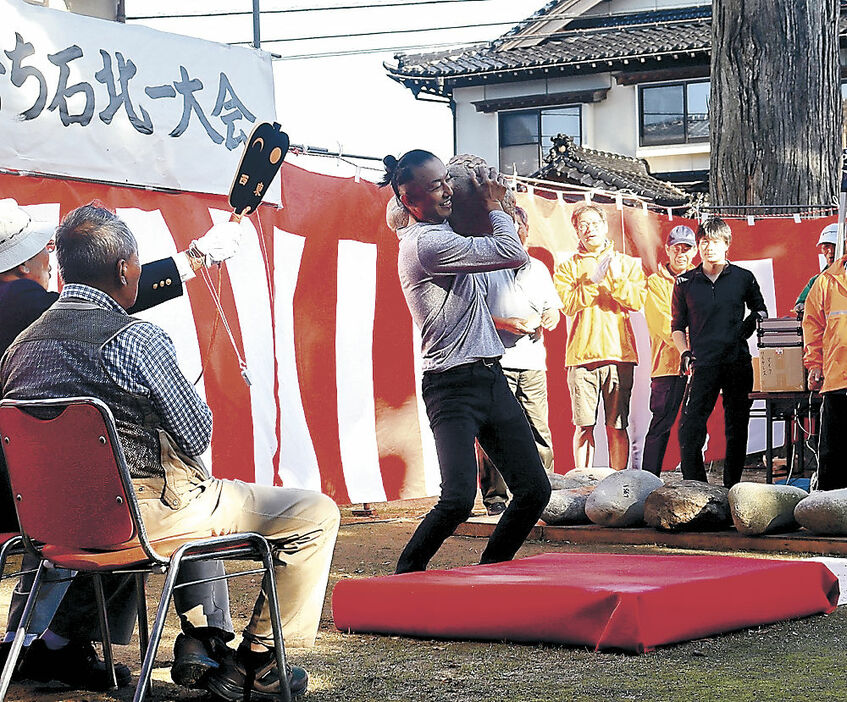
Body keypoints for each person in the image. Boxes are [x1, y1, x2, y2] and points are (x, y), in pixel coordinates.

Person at [0, 203, 340, 700]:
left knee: (187, 495)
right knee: (312, 512)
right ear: (124, 270)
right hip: (139, 518)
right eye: (137, 261)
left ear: (62, 268)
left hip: (53, 522)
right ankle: (258, 661)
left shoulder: (19, 349)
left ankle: (192, 640)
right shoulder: (138, 339)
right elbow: (195, 435)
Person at [0, 198, 244, 690]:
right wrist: (193, 260)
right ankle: (204, 636)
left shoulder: (27, 323)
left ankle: (33, 641)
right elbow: (98, 306)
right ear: (27, 258)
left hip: (24, 482)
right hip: (57, 498)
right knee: (162, 485)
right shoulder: (31, 312)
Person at [383, 149, 550, 574]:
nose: (447, 190)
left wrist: (481, 191)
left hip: (491, 376)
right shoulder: (427, 243)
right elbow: (513, 253)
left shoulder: (443, 230)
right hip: (451, 386)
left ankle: (491, 569)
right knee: (458, 499)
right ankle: (405, 576)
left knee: (533, 491)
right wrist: (493, 205)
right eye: (434, 185)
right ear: (409, 199)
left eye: (447, 181)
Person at [671, 217, 767, 488]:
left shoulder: (743, 277)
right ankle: (695, 487)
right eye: (703, 242)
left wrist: (746, 329)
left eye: (714, 242)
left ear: (726, 245)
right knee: (689, 429)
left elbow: (761, 310)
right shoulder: (684, 282)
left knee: (737, 428)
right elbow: (677, 326)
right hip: (703, 362)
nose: (708, 247)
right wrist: (684, 352)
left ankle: (732, 488)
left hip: (737, 361)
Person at [478, 205, 562, 513]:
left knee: (539, 427)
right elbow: (475, 314)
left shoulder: (538, 267)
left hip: (533, 361)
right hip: (497, 360)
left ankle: (545, 494)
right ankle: (495, 499)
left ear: (524, 231)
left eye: (515, 227)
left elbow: (553, 307)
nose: (511, 234)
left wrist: (550, 316)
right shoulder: (485, 266)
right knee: (493, 431)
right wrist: (506, 323)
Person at [553, 204, 646, 471]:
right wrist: (593, 280)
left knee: (617, 425)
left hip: (619, 354)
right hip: (581, 357)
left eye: (594, 223)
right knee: (583, 425)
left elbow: (637, 301)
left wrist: (615, 278)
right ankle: (582, 481)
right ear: (576, 231)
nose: (589, 228)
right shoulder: (568, 267)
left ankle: (619, 483)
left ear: (605, 226)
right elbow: (568, 305)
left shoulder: (626, 264)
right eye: (583, 224)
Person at [641, 225, 698, 476]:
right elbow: (663, 325)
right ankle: (647, 479)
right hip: (667, 366)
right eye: (677, 248)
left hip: (698, 365)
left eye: (687, 248)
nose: (682, 254)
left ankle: (694, 480)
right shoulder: (655, 283)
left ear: (695, 251)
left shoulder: (702, 279)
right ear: (667, 249)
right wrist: (691, 343)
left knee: (693, 426)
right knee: (661, 425)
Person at [802, 242, 847, 490]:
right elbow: (812, 326)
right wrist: (814, 364)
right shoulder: (827, 281)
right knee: (833, 454)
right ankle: (829, 513)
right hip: (837, 381)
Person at [794, 223, 838, 318]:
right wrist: (802, 306)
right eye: (826, 246)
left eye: (835, 245)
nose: (831, 251)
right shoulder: (816, 281)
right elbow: (800, 303)